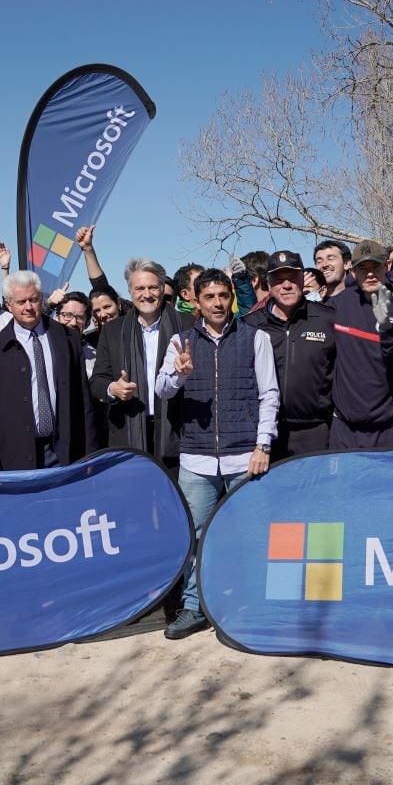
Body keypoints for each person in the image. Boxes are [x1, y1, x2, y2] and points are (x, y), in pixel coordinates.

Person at [154, 269, 279, 639]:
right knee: (195, 536)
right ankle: (194, 606)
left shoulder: (255, 339)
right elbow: (162, 391)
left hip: (245, 457)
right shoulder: (180, 341)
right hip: (196, 459)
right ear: (196, 300)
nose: (218, 303)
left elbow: (269, 394)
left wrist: (263, 445)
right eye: (209, 297)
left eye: (223, 296)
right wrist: (179, 375)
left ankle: (248, 603)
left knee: (249, 534)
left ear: (231, 298)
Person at [0, 271, 93, 470]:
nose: (28, 307)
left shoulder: (67, 340)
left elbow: (84, 402)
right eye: (21, 302)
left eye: (33, 300)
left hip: (64, 454)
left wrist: (90, 456)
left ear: (42, 299)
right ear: (8, 305)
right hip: (14, 459)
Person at [90, 259, 186, 464]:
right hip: (127, 432)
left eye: (153, 287)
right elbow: (97, 380)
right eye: (139, 288)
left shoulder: (187, 325)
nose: (147, 294)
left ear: (162, 289)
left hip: (178, 433)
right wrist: (112, 388)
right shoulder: (112, 330)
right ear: (130, 292)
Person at [329, 241, 393, 449]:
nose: (370, 274)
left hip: (390, 428)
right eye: (363, 268)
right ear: (353, 271)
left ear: (388, 266)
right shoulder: (338, 304)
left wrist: (387, 328)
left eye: (376, 267)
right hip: (345, 429)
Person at [253, 250, 336, 460]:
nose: (286, 285)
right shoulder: (250, 325)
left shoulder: (328, 319)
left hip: (316, 431)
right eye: (279, 280)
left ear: (302, 279)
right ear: (269, 284)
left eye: (292, 278)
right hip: (265, 433)